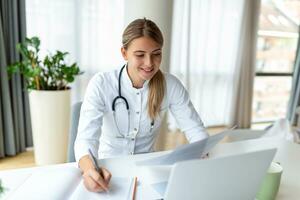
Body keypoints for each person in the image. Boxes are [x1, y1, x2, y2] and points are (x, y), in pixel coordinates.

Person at [74, 18, 208, 193]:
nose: (149, 63)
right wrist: (90, 170)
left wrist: (204, 155)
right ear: (124, 53)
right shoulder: (102, 84)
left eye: (156, 53)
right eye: (140, 55)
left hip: (149, 173)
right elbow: (85, 140)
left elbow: (195, 130)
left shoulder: (171, 85)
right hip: (109, 171)